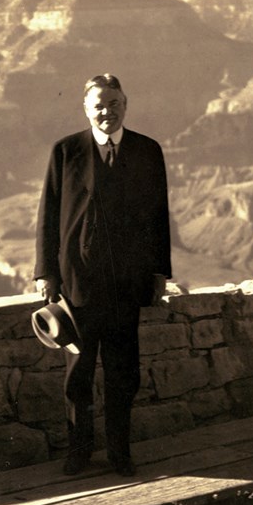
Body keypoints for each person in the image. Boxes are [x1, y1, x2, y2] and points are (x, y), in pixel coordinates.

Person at [34, 73, 172, 477]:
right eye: (98, 105)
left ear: (125, 105)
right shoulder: (65, 151)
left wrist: (160, 271)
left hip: (126, 285)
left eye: (113, 104)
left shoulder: (148, 151)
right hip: (78, 286)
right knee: (78, 374)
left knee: (122, 372)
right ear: (86, 108)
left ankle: (119, 452)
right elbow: (48, 215)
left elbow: (158, 216)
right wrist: (46, 273)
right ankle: (79, 451)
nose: (106, 112)